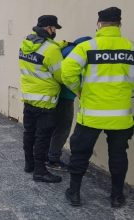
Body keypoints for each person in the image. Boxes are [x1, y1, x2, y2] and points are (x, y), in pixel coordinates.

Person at [62, 7, 134, 208]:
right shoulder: (130, 48)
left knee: (80, 153)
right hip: (121, 116)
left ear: (99, 24)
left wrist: (79, 91)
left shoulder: (87, 47)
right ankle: (117, 196)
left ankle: (74, 193)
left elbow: (67, 72)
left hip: (91, 115)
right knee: (119, 156)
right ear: (119, 24)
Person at [19, 15, 65, 183]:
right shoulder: (52, 50)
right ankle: (40, 171)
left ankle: (29, 164)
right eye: (54, 29)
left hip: (29, 99)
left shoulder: (25, 44)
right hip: (45, 102)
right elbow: (61, 76)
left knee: (29, 133)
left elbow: (42, 52)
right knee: (42, 137)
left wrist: (59, 45)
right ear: (48, 28)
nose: (55, 32)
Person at [46, 36, 92, 171]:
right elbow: (69, 74)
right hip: (65, 97)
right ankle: (53, 159)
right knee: (63, 129)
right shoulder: (74, 52)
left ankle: (47, 155)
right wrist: (78, 90)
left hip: (54, 95)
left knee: (53, 127)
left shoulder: (65, 50)